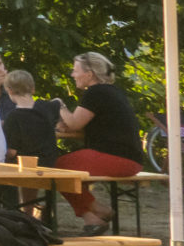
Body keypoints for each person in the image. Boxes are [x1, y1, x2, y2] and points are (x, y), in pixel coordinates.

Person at [53, 52, 146, 232]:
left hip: (117, 158)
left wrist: (59, 105)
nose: (72, 75)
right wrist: (70, 126)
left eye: (75, 70)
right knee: (69, 174)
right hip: (129, 158)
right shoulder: (112, 91)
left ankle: (97, 211)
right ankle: (91, 220)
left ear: (89, 74)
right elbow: (91, 125)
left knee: (56, 169)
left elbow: (74, 122)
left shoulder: (96, 92)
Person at [0, 71, 63, 163]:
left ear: (10, 90)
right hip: (49, 165)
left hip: (25, 168)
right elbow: (58, 103)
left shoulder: (13, 117)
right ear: (33, 89)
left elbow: (12, 152)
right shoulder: (48, 107)